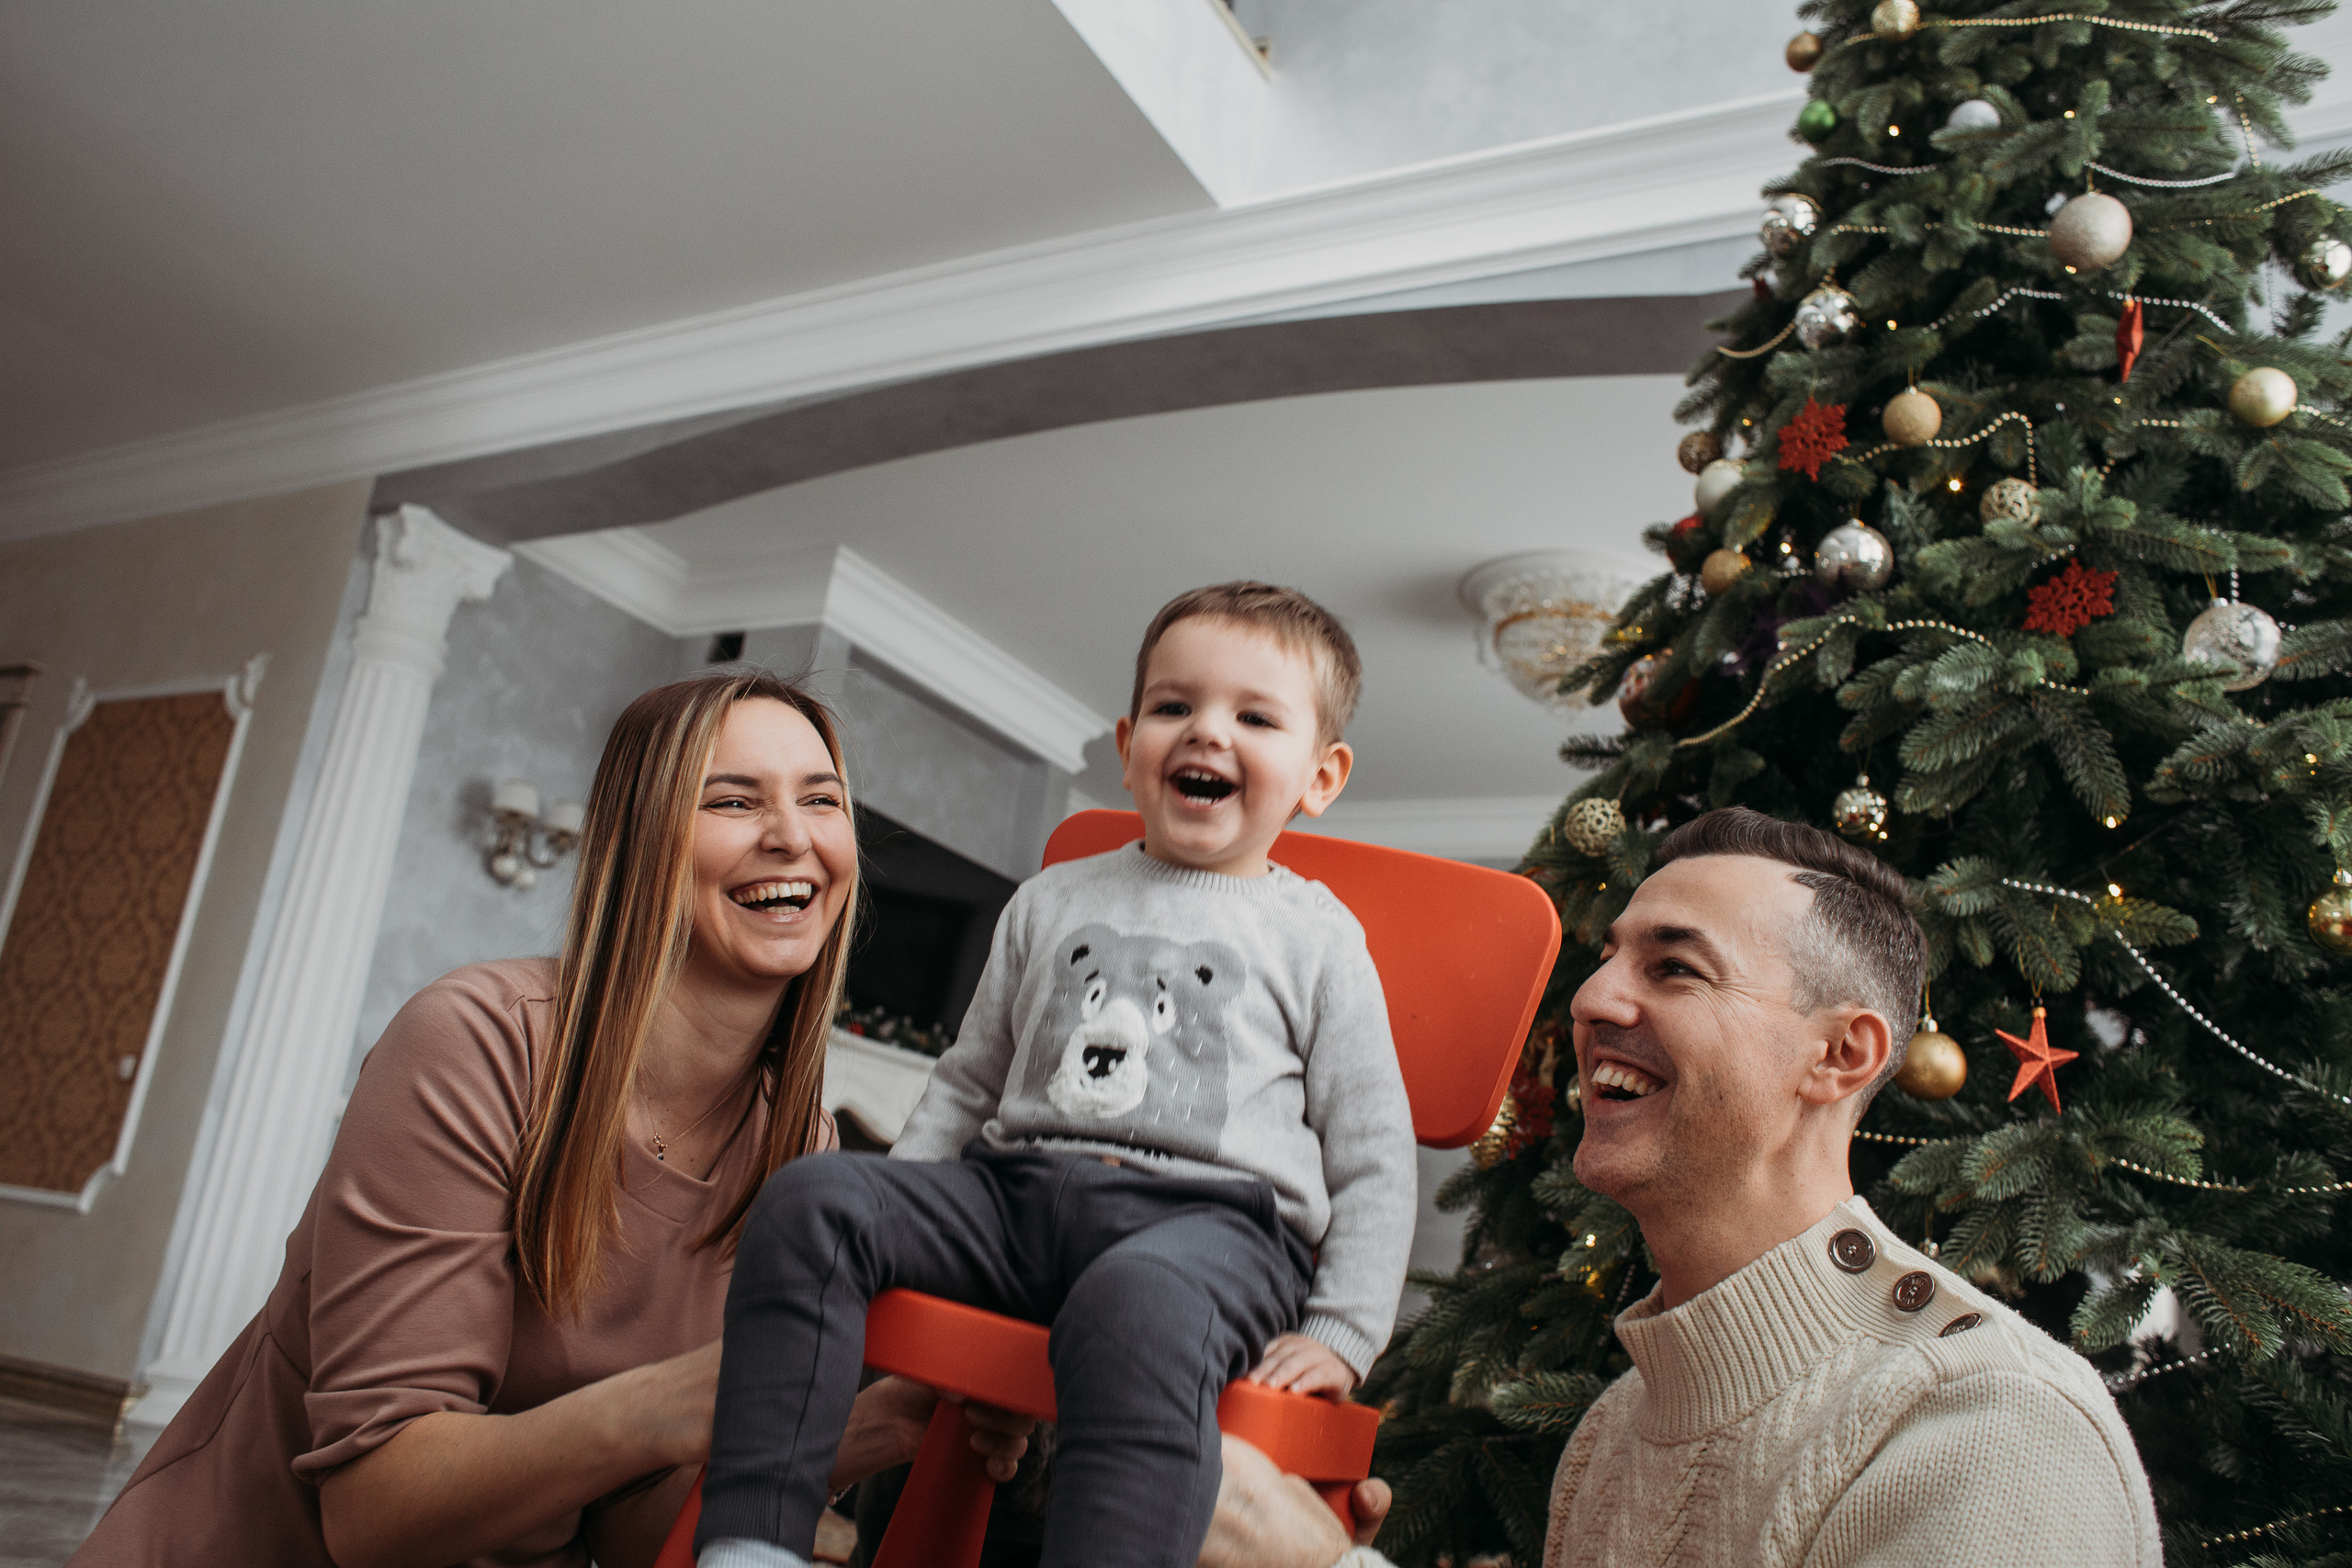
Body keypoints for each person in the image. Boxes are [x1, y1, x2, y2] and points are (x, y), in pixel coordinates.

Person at [74, 671, 1029, 1568]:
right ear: (644, 841)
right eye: (733, 801)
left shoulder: (797, 1143)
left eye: (821, 800)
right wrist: (679, 1399)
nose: (792, 835)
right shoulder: (476, 1042)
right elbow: (375, 1510)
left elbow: (627, 1530)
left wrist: (854, 1430)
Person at [1197, 807, 2163, 1568]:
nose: (1590, 1000)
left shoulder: (1990, 1419)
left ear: (1839, 1054)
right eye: (1608, 959)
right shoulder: (1611, 1432)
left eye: (1674, 967)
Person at [696, 583, 1419, 1568]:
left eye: (1255, 718)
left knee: (1139, 1307)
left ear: (1320, 776)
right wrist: (899, 1208)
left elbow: (1373, 1152)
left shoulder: (1319, 937)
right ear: (1127, 745)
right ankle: (752, 1546)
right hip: (1011, 1201)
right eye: (1173, 706)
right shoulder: (1049, 900)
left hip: (1210, 1231)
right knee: (811, 1198)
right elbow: (968, 1082)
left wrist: (1343, 1327)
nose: (1207, 732)